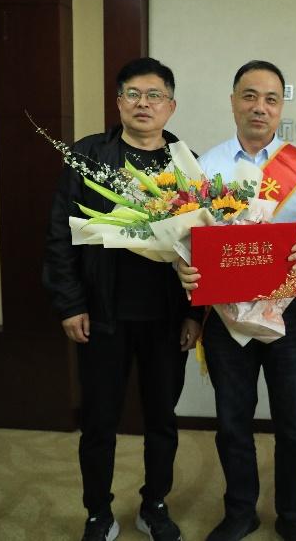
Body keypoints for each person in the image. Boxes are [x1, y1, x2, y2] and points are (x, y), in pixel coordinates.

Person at [177, 60, 296, 541]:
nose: (259, 107)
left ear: (281, 107)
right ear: (233, 102)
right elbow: (184, 237)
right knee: (232, 420)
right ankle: (240, 512)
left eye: (270, 99)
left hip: (288, 307)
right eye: (249, 96)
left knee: (293, 421)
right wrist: (183, 265)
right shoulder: (205, 167)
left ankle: (292, 515)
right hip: (225, 312)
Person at [43, 57, 199, 541]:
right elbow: (60, 233)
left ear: (171, 106)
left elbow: (203, 246)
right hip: (102, 313)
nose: (143, 104)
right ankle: (98, 512)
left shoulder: (187, 163)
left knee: (162, 419)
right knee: (99, 421)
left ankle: (155, 504)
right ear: (118, 102)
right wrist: (70, 303)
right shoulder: (89, 155)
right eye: (133, 94)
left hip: (166, 317)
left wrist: (195, 314)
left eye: (154, 95)